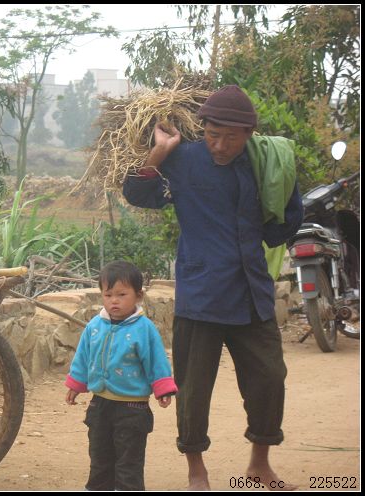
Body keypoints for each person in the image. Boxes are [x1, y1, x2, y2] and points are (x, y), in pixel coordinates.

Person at [122, 85, 303, 490]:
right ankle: (196, 471)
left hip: (251, 291)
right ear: (202, 129)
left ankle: (259, 466)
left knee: (270, 379)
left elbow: (286, 218)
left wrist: (276, 213)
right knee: (193, 389)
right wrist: (160, 151)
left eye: (230, 137)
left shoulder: (266, 163)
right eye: (212, 134)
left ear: (249, 134)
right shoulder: (184, 160)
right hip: (201, 292)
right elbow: (137, 193)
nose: (219, 145)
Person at [64, 260, 178, 491]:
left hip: (132, 409)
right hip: (99, 405)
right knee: (99, 459)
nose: (113, 301)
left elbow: (156, 360)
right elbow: (83, 356)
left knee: (128, 464)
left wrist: (163, 388)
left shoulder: (144, 329)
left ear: (138, 296)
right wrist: (76, 384)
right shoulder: (94, 326)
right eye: (108, 295)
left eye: (121, 294)